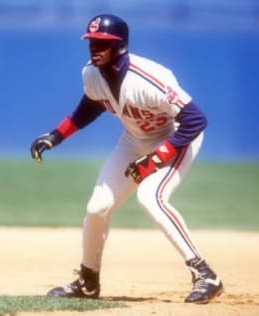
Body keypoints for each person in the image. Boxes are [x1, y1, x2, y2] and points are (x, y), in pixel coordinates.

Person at [30, 13, 223, 304]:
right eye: (92, 41)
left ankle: (205, 274)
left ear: (119, 46)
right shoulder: (92, 74)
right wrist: (56, 136)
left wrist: (157, 158)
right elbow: (90, 105)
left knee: (151, 197)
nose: (95, 46)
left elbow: (196, 120)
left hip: (177, 136)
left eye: (102, 42)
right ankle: (87, 282)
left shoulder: (149, 79)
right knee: (97, 208)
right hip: (135, 141)